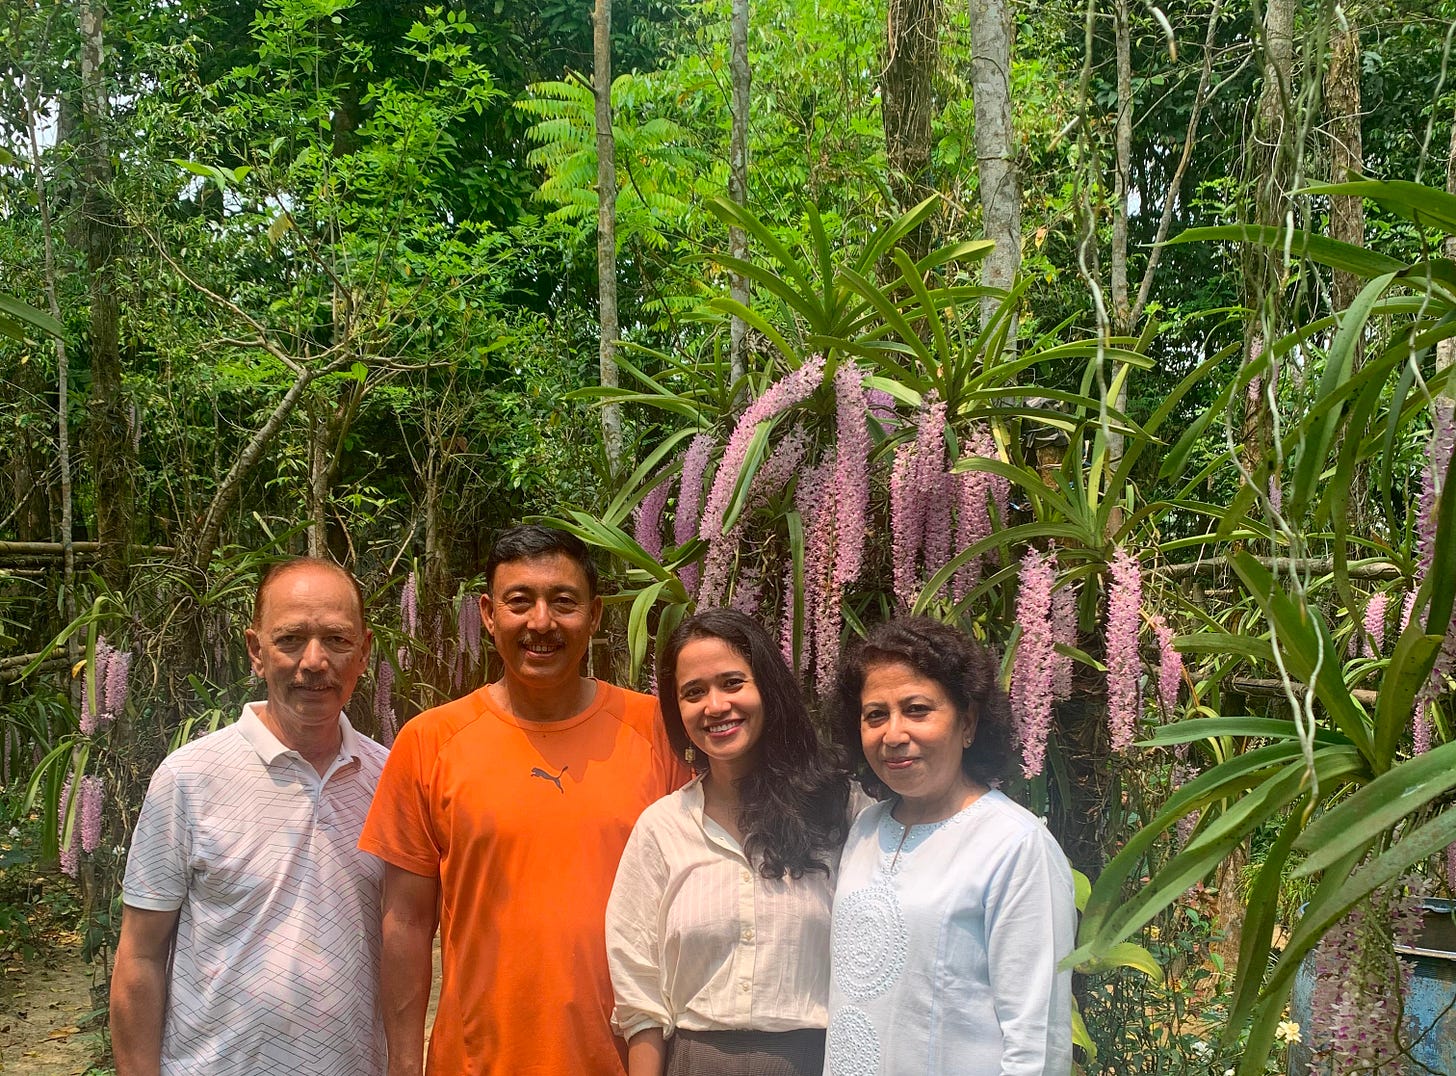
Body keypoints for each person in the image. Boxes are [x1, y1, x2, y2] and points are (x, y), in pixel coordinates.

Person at [359, 524, 685, 1076]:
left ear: (596, 614)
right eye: (519, 602)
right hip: (475, 1061)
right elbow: (407, 924)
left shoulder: (657, 731)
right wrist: (402, 1065)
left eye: (563, 602)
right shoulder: (430, 741)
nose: (541, 623)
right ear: (488, 614)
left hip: (631, 1062)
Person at [110, 557, 387, 1076]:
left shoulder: (393, 780)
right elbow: (140, 956)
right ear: (255, 652)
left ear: (364, 652)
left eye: (336, 640)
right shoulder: (189, 777)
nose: (314, 661)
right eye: (289, 640)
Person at [823, 616, 1076, 1076]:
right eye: (875, 714)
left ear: (968, 722)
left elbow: (1037, 1041)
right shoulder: (865, 829)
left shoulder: (1014, 845)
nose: (894, 735)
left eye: (917, 709)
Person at [607, 608, 854, 1076]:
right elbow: (637, 984)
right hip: (695, 1062)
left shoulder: (841, 811)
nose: (715, 706)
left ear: (768, 688)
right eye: (693, 692)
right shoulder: (662, 828)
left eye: (733, 683)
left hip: (818, 1061)